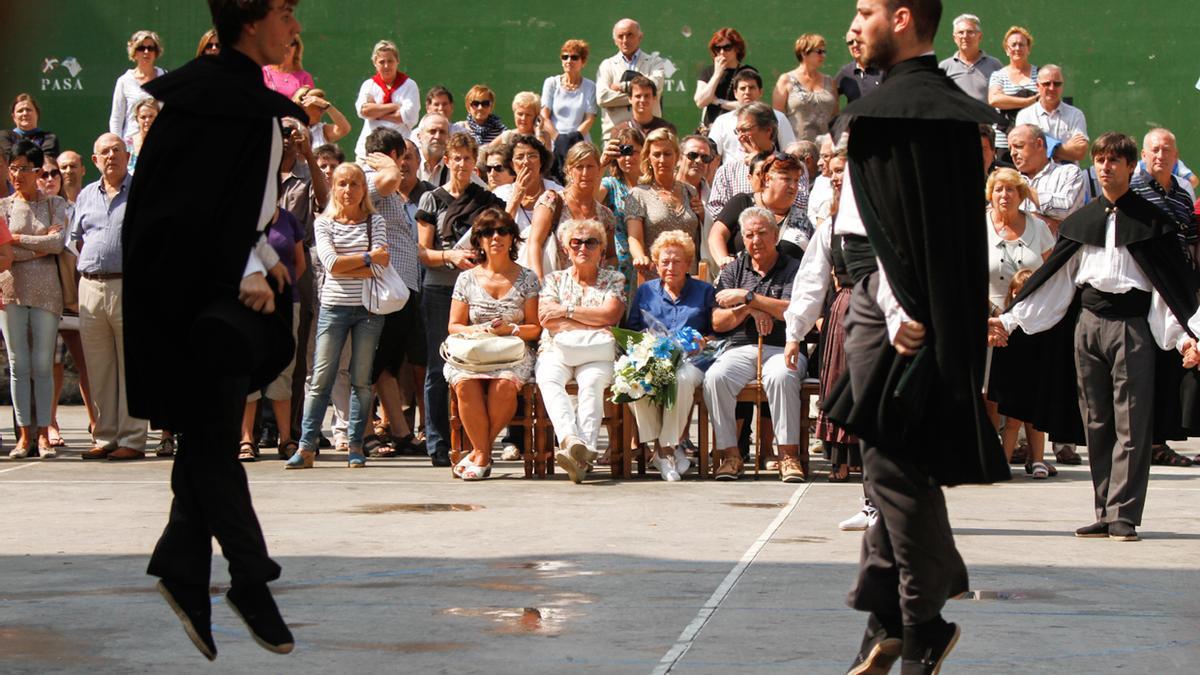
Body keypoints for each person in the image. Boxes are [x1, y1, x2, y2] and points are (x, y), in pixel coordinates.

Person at [123, 0, 307, 659]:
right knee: (213, 449)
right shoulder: (223, 104)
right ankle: (250, 580)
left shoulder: (227, 99)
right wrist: (242, 268)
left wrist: (256, 259)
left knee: (206, 446)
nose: (294, 26)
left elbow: (228, 207)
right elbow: (187, 213)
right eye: (286, 12)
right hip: (195, 310)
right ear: (253, 21)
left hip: (207, 304)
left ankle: (182, 563)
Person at [829, 3, 1009, 672]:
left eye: (866, 10)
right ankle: (890, 613)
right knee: (897, 455)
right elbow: (937, 233)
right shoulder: (951, 114)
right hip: (914, 307)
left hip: (893, 311)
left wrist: (894, 298)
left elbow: (886, 235)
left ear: (902, 18)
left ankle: (921, 617)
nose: (854, 24)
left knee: (890, 462)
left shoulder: (895, 114)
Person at [989, 132, 1200, 543]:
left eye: (1113, 161)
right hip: (1087, 325)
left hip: (1132, 326)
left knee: (1132, 421)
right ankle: (1104, 510)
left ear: (1129, 166)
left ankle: (1124, 514)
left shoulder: (1151, 224)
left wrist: (1184, 339)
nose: (1104, 167)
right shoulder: (1082, 221)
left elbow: (1167, 289)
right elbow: (1055, 283)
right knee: (1097, 420)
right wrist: (1011, 321)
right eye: (1100, 160)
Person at [287, 161, 389, 470]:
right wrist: (367, 259)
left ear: (363, 189)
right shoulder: (323, 222)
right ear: (334, 187)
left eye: (354, 184)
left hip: (368, 309)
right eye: (342, 184)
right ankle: (306, 447)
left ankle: (355, 445)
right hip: (333, 307)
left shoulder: (376, 222)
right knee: (320, 378)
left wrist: (358, 263)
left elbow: (382, 265)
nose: (348, 190)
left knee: (361, 380)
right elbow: (331, 264)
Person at [415, 132, 506, 467]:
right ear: (447, 161)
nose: (463, 164)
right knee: (439, 367)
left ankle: (475, 441)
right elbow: (423, 252)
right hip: (440, 290)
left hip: (478, 291)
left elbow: (500, 242)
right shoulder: (431, 199)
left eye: (469, 159)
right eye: (457, 158)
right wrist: (449, 256)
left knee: (478, 365)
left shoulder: (487, 199)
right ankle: (438, 443)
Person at [783, 152, 865, 489]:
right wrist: (794, 333)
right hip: (845, 309)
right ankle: (841, 459)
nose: (837, 182)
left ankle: (873, 457)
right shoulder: (831, 228)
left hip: (884, 308)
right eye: (834, 177)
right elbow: (811, 281)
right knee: (842, 381)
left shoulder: (892, 221)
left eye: (844, 176)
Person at [705, 208, 802, 481]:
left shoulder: (793, 268)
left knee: (782, 376)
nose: (755, 240)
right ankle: (730, 455)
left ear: (775, 234)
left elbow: (792, 310)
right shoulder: (734, 269)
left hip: (784, 346)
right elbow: (717, 322)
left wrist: (749, 297)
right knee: (715, 377)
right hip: (738, 348)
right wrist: (749, 310)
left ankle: (788, 455)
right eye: (749, 235)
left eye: (762, 233)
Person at [444, 208, 541, 480]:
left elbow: (535, 328)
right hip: (473, 352)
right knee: (464, 384)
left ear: (512, 238)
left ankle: (479, 455)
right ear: (479, 240)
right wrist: (481, 329)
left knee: (504, 386)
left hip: (512, 352)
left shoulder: (527, 278)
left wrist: (511, 329)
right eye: (487, 232)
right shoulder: (466, 278)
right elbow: (454, 325)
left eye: (502, 231)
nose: (495, 237)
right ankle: (483, 453)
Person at [71, 134, 149, 462]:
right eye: (104, 151)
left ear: (127, 154)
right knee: (99, 365)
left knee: (131, 365)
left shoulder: (143, 190)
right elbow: (76, 240)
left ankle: (132, 438)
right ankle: (104, 436)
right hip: (90, 287)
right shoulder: (87, 195)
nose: (111, 156)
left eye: (117, 150)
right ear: (95, 160)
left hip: (128, 287)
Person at [535, 218, 627, 483]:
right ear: (566, 248)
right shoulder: (554, 279)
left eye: (591, 242)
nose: (583, 248)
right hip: (556, 349)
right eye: (576, 242)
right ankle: (572, 440)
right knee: (548, 379)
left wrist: (567, 312)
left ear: (601, 248)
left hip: (596, 353)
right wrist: (592, 321)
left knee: (592, 384)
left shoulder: (614, 278)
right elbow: (546, 319)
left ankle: (580, 455)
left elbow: (610, 314)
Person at [983, 169, 1055, 474]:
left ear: (1021, 194)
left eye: (1011, 190)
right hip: (987, 318)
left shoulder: (1039, 228)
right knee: (989, 390)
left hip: (1029, 320)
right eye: (998, 189)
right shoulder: (978, 225)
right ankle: (988, 455)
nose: (1004, 195)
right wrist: (987, 317)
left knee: (1029, 387)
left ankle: (1035, 457)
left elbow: (1053, 274)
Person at [626, 230, 713, 480]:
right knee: (632, 380)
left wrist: (702, 341)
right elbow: (633, 330)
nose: (671, 266)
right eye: (664, 261)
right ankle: (663, 448)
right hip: (655, 356)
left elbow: (717, 331)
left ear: (688, 264)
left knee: (681, 379)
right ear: (656, 264)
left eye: (677, 261)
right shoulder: (646, 292)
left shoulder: (705, 291)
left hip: (693, 359)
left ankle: (665, 450)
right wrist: (648, 345)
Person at [362, 128, 425, 456]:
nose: (404, 165)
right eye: (402, 157)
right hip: (383, 290)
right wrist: (387, 167)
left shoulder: (391, 189)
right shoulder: (371, 179)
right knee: (370, 365)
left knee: (386, 364)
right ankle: (365, 433)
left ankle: (400, 433)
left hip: (401, 289)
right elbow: (384, 181)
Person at [1, 141, 65, 459]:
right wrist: (36, 247)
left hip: (47, 293)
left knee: (42, 364)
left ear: (38, 171)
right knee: (18, 364)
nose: (17, 175)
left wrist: (17, 241)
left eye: (24, 168)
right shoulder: (3, 206)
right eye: (13, 168)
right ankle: (24, 435)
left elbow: (57, 243)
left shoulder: (55, 204)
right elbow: (3, 254)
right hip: (10, 290)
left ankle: (43, 434)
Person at [240, 206, 304, 461]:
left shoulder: (288, 219)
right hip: (246, 300)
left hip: (286, 302)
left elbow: (300, 264)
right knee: (246, 367)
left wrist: (280, 288)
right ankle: (246, 439)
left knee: (284, 369)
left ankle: (286, 438)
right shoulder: (241, 214)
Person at [526, 141, 616, 279]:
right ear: (568, 170)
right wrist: (538, 282)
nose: (585, 173)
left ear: (598, 169)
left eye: (590, 166)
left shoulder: (606, 215)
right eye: (579, 167)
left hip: (592, 292)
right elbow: (534, 242)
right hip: (553, 288)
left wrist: (604, 278)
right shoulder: (551, 201)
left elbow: (611, 256)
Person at [707, 102, 808, 224]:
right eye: (737, 131)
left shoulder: (794, 166)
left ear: (768, 130)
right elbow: (715, 211)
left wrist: (761, 164)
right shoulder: (727, 171)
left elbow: (801, 204)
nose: (740, 137)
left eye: (745, 130)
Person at [711, 150, 812, 264]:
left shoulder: (803, 219)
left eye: (796, 180)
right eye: (786, 179)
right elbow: (717, 234)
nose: (793, 186)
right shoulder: (742, 202)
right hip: (738, 279)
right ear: (768, 179)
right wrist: (723, 260)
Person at [626, 129, 701, 278]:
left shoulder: (690, 191)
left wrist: (704, 215)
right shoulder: (638, 194)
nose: (662, 160)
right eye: (656, 154)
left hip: (689, 278)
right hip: (654, 278)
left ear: (677, 157)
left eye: (667, 154)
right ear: (648, 158)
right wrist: (640, 257)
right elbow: (634, 237)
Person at [1132, 128, 1199, 267]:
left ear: (1175, 156)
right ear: (1144, 155)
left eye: (1166, 150)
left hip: (1177, 277)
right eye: (1155, 150)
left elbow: (1190, 241)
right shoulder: (1131, 191)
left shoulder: (1184, 197)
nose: (1161, 156)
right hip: (1142, 276)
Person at [595, 18, 666, 139]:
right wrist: (642, 95)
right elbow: (602, 98)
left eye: (630, 35)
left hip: (649, 134)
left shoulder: (655, 62)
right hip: (615, 135)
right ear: (614, 40)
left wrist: (623, 87)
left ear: (640, 37)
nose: (625, 40)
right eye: (620, 36)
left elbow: (656, 86)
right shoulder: (607, 65)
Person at [1008, 124, 1085, 233]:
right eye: (1010, 148)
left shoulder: (1069, 172)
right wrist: (1043, 221)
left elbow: (1066, 209)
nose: (1012, 153)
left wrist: (1024, 188)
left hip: (1057, 249)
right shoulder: (1007, 182)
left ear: (1039, 144)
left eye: (1019, 146)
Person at [709, 70, 795, 163]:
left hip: (769, 173)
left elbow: (789, 150)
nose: (747, 92)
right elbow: (713, 155)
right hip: (732, 175)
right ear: (735, 93)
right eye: (742, 88)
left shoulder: (778, 118)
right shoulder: (722, 121)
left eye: (752, 88)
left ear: (760, 92)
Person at [597, 127, 644, 299]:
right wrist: (602, 164)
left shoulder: (652, 185)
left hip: (648, 265)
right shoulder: (611, 184)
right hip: (619, 268)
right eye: (622, 152)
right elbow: (590, 198)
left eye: (632, 151)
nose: (628, 158)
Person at [353, 39, 420, 159]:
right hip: (368, 153)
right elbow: (364, 111)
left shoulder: (409, 85)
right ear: (374, 63)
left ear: (397, 61)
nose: (386, 66)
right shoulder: (368, 85)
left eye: (390, 61)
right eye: (381, 62)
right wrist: (395, 106)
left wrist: (376, 112)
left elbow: (409, 116)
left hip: (399, 152)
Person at [1014, 65, 1089, 163]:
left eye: (1057, 84)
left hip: (1068, 176)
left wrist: (1043, 148)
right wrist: (1065, 149)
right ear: (1037, 86)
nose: (1052, 88)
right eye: (1047, 83)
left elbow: (1080, 152)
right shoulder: (1025, 116)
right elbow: (1025, 152)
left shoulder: (1075, 114)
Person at [773, 34, 838, 143]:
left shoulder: (830, 82)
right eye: (819, 52)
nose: (823, 56)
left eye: (824, 52)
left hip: (825, 151)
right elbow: (777, 119)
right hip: (795, 150)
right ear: (804, 53)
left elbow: (835, 117)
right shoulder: (786, 80)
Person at [987, 26, 1038, 161]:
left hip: (1033, 145)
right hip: (1003, 144)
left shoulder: (1039, 74)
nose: (1017, 48)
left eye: (1022, 44)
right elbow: (995, 100)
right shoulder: (998, 75)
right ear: (1006, 50)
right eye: (1013, 45)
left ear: (1029, 49)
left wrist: (1008, 101)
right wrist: (1028, 102)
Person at [694, 28, 757, 130]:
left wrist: (717, 101)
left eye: (727, 47)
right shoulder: (708, 71)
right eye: (717, 48)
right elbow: (700, 102)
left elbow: (748, 105)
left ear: (737, 48)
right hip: (712, 129)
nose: (722, 52)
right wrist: (717, 74)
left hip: (739, 129)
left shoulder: (747, 72)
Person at [109, 30, 166, 139]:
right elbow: (116, 119)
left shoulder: (165, 77)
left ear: (156, 52)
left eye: (150, 48)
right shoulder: (124, 81)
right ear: (134, 53)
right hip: (132, 144)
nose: (146, 52)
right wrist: (119, 146)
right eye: (141, 48)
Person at [541, 39, 598, 140]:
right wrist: (558, 139)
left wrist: (573, 139)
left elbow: (590, 119)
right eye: (565, 57)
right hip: (554, 144)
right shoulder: (551, 83)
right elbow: (544, 117)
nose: (568, 61)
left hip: (580, 144)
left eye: (574, 57)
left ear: (583, 62)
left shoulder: (590, 86)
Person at [938, 14, 1001, 103]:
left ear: (980, 36)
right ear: (954, 38)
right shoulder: (944, 67)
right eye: (961, 32)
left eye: (970, 32)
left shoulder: (994, 65)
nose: (965, 36)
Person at [609, 75, 675, 137]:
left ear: (654, 98)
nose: (642, 100)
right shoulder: (619, 131)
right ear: (630, 99)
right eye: (638, 96)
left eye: (647, 96)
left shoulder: (666, 129)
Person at [1, 94, 59, 160]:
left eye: (28, 110)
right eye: (20, 111)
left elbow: (46, 163)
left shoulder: (48, 138)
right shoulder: (5, 137)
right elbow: (9, 161)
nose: (25, 113)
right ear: (14, 117)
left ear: (37, 113)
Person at [834, 31, 883, 105]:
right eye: (850, 43)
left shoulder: (884, 69)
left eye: (858, 41)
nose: (854, 45)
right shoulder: (845, 73)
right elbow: (830, 96)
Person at [262, 34, 313, 100]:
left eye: (290, 43)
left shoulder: (305, 77)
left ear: (297, 47)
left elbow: (310, 108)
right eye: (281, 43)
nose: (286, 46)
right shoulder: (263, 72)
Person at [124, 98, 159, 174]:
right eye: (143, 117)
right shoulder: (127, 144)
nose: (147, 120)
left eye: (151, 116)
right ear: (137, 119)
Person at [415, 113, 451, 185]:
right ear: (419, 136)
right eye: (432, 131)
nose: (437, 137)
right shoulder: (408, 164)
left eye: (442, 132)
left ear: (448, 137)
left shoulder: (455, 166)